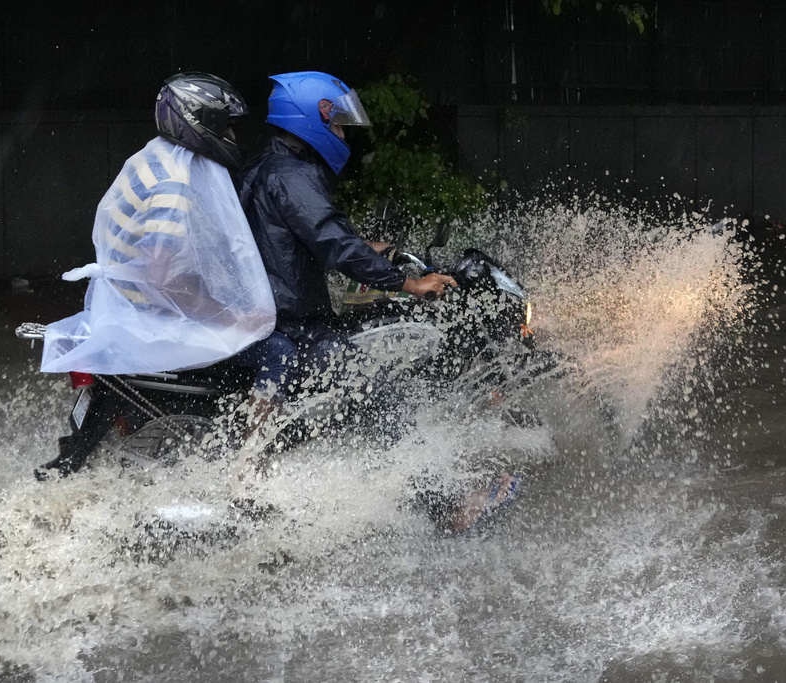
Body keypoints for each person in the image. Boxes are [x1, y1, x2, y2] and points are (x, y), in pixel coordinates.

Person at [238, 70, 519, 532]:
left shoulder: (262, 165)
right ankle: (446, 507)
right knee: (381, 391)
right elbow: (329, 240)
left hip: (264, 315)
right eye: (339, 126)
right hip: (291, 325)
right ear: (314, 118)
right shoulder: (292, 174)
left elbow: (291, 238)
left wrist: (363, 248)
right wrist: (407, 283)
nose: (344, 135)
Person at [36, 72, 287, 476]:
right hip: (157, 316)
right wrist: (230, 316)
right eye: (228, 125)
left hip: (125, 308)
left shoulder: (152, 158)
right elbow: (164, 276)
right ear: (200, 122)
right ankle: (250, 470)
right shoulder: (174, 182)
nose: (235, 136)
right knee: (279, 352)